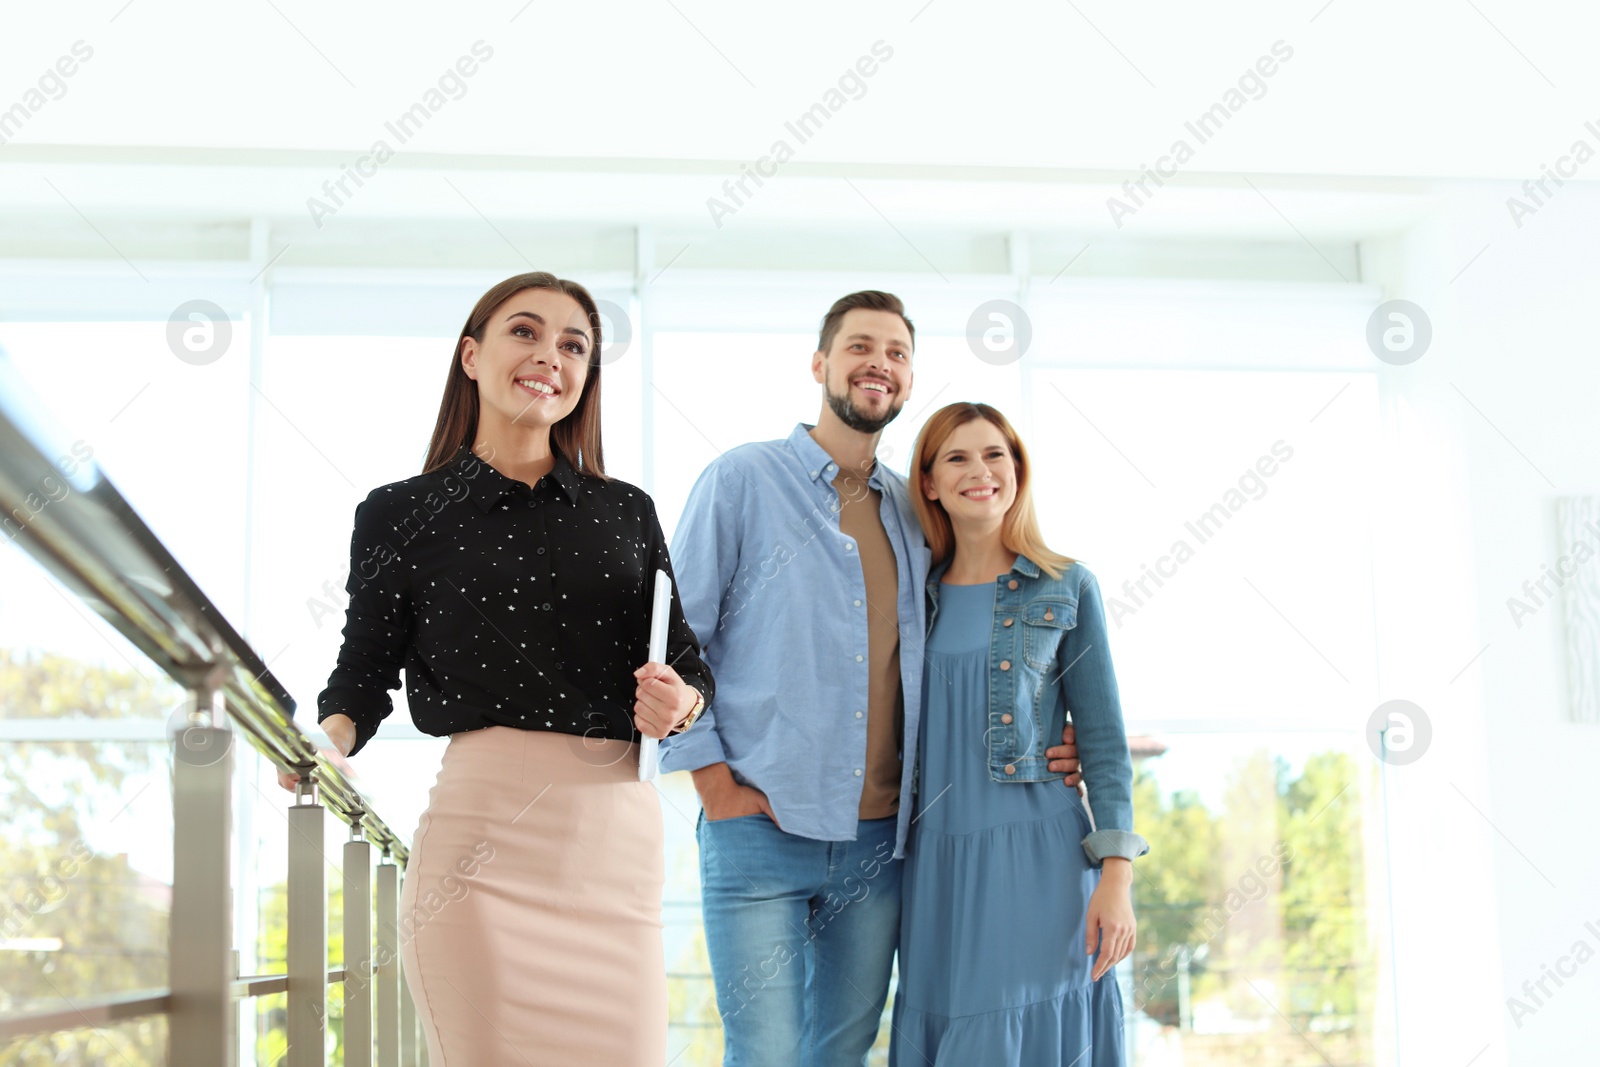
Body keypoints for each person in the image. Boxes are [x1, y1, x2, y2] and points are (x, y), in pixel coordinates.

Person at [278, 272, 713, 1065]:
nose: (550, 355)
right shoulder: (397, 513)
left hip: (616, 851)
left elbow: (685, 664)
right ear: (471, 356)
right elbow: (363, 672)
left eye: (574, 344)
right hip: (480, 858)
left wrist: (679, 703)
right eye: (526, 331)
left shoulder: (627, 512)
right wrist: (329, 742)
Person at [660, 291, 1082, 1067]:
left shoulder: (912, 509)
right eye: (859, 346)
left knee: (841, 1053)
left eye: (895, 352)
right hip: (759, 828)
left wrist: (1052, 726)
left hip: (880, 846)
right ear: (821, 364)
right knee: (767, 1054)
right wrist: (714, 784)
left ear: (910, 379)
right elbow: (673, 646)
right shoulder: (743, 479)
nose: (877, 364)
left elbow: (978, 630)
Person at [890, 402, 1148, 1066]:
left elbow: (1104, 740)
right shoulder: (909, 595)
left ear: (1017, 470)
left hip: (1042, 860)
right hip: (936, 861)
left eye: (995, 454)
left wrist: (1116, 876)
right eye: (958, 457)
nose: (981, 471)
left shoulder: (1065, 586)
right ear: (929, 483)